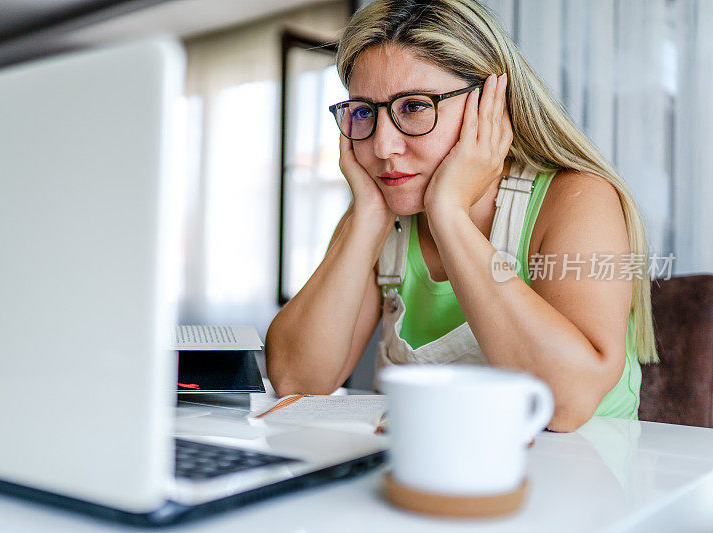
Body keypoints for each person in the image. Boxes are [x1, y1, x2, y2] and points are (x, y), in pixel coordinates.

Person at [265, 0, 656, 432]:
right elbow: (296, 382)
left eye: (414, 107)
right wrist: (365, 220)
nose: (382, 147)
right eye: (364, 112)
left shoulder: (578, 198)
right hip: (431, 473)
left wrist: (448, 215)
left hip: (584, 478)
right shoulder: (380, 212)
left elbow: (564, 404)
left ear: (489, 102)